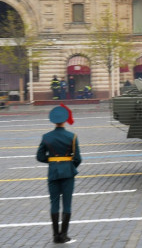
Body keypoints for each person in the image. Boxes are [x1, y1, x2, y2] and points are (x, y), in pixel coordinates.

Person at [36, 104, 82, 243]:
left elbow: (40, 156)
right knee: (67, 204)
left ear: (53, 120)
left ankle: (56, 235)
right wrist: (68, 164)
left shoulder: (46, 137)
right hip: (68, 173)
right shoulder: (72, 136)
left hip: (53, 173)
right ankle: (64, 235)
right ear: (65, 119)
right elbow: (78, 158)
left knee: (54, 203)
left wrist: (53, 162)